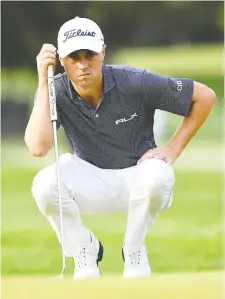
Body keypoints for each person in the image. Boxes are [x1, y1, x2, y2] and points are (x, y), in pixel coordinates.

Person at [24, 16, 216, 280]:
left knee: (160, 174)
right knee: (44, 185)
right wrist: (43, 83)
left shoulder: (134, 81)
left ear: (102, 52)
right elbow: (38, 146)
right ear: (62, 61)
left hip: (138, 178)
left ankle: (134, 249)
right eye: (73, 57)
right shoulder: (54, 89)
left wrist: (172, 150)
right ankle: (83, 249)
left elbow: (204, 96)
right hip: (89, 180)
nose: (82, 65)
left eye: (89, 54)